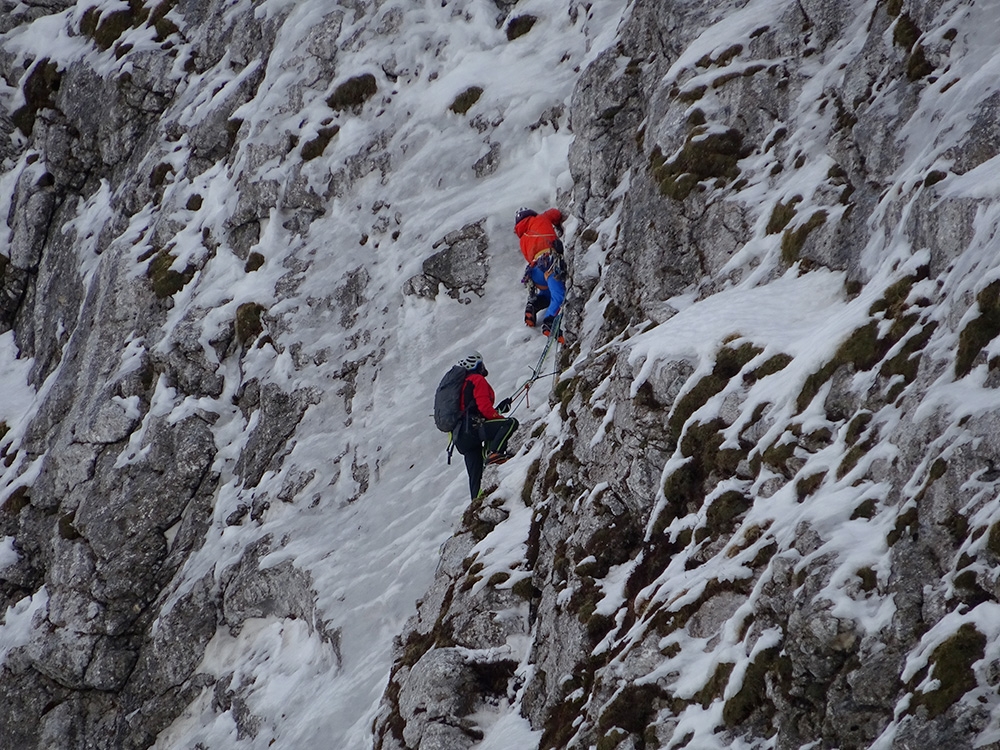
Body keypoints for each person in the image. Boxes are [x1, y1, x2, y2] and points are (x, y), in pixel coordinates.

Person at [451, 351, 519, 500]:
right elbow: (484, 408)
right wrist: (499, 417)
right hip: (473, 430)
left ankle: (476, 505)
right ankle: (495, 454)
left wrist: (498, 410)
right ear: (477, 364)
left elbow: (472, 410)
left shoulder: (460, 385)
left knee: (475, 477)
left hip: (460, 437)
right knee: (510, 424)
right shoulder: (476, 379)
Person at [514, 207, 566, 340]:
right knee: (559, 295)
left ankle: (533, 305)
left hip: (535, 272)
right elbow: (556, 214)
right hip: (549, 262)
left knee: (548, 293)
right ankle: (550, 322)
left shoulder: (522, 240)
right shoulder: (540, 218)